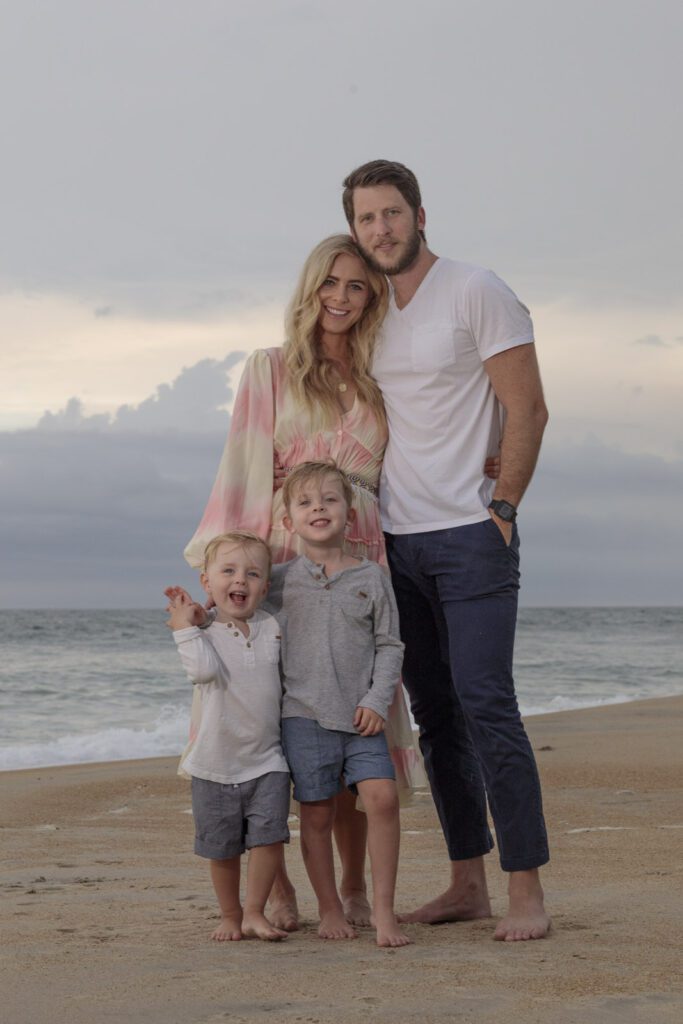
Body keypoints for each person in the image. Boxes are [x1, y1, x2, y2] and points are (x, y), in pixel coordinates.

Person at [183, 234, 423, 931]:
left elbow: (418, 453)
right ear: (310, 287)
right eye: (331, 283)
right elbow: (242, 470)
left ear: (372, 295)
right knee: (271, 721)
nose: (341, 298)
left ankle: (352, 886)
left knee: (352, 711)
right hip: (285, 558)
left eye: (356, 286)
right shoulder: (270, 369)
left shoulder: (383, 376)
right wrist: (228, 575)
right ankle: (278, 882)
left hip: (362, 557)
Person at [341, 159, 551, 942]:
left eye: (391, 214)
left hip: (471, 535)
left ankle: (525, 891)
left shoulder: (475, 289)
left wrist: (503, 505)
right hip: (397, 539)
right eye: (366, 219)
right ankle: (467, 880)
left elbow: (526, 406)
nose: (380, 230)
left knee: (487, 703)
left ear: (419, 216)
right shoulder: (373, 314)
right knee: (434, 716)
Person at [272, 460, 410, 947]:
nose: (318, 508)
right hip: (303, 717)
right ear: (288, 521)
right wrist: (199, 613)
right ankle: (330, 909)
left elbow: (390, 644)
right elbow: (235, 606)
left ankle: (385, 910)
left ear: (350, 515)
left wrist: (377, 700)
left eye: (329, 499)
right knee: (315, 814)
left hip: (361, 718)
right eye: (306, 502)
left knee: (383, 799)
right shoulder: (278, 580)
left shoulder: (371, 577)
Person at [166, 531, 290, 942]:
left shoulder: (272, 626)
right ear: (207, 582)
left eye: (252, 574)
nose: (240, 580)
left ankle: (255, 911)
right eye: (229, 571)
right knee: (223, 849)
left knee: (269, 840)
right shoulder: (203, 634)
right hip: (215, 764)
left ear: (265, 587)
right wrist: (185, 627)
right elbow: (202, 672)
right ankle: (230, 914)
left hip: (267, 759)